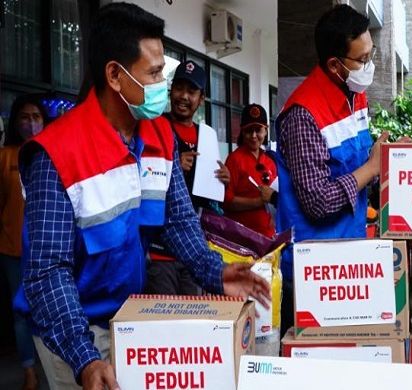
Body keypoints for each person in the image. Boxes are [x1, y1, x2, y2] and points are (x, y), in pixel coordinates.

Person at [14, 4, 270, 389]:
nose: (162, 87)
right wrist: (85, 358)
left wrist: (213, 271)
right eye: (153, 74)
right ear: (115, 75)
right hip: (71, 331)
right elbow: (47, 273)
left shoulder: (159, 136)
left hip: (130, 317)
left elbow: (178, 218)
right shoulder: (56, 154)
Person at [275, 4, 389, 336]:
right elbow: (318, 201)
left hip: (348, 258)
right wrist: (373, 167)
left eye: (371, 54)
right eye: (362, 59)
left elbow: (360, 163)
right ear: (335, 65)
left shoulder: (355, 95)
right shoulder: (302, 115)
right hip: (314, 270)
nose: (369, 66)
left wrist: (391, 157)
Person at [145, 59, 231, 296]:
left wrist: (224, 181)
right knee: (163, 321)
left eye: (191, 91)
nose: (183, 96)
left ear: (201, 99)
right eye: (179, 88)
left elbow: (215, 199)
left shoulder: (207, 136)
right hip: (160, 250)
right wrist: (172, 170)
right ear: (170, 90)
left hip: (196, 249)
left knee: (194, 319)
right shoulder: (156, 128)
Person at [1, 95, 47, 390]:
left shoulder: (52, 153)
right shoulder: (4, 157)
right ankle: (29, 371)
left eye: (36, 116)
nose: (31, 123)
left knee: (47, 312)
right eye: (24, 117)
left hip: (48, 251)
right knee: (21, 314)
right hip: (12, 250)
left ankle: (51, 365)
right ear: (15, 122)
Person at [224, 103, 278, 238]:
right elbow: (226, 202)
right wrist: (258, 202)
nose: (254, 136)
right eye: (249, 131)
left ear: (266, 130)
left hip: (269, 236)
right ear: (242, 131)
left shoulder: (271, 161)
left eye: (258, 130)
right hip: (242, 239)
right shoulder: (234, 159)